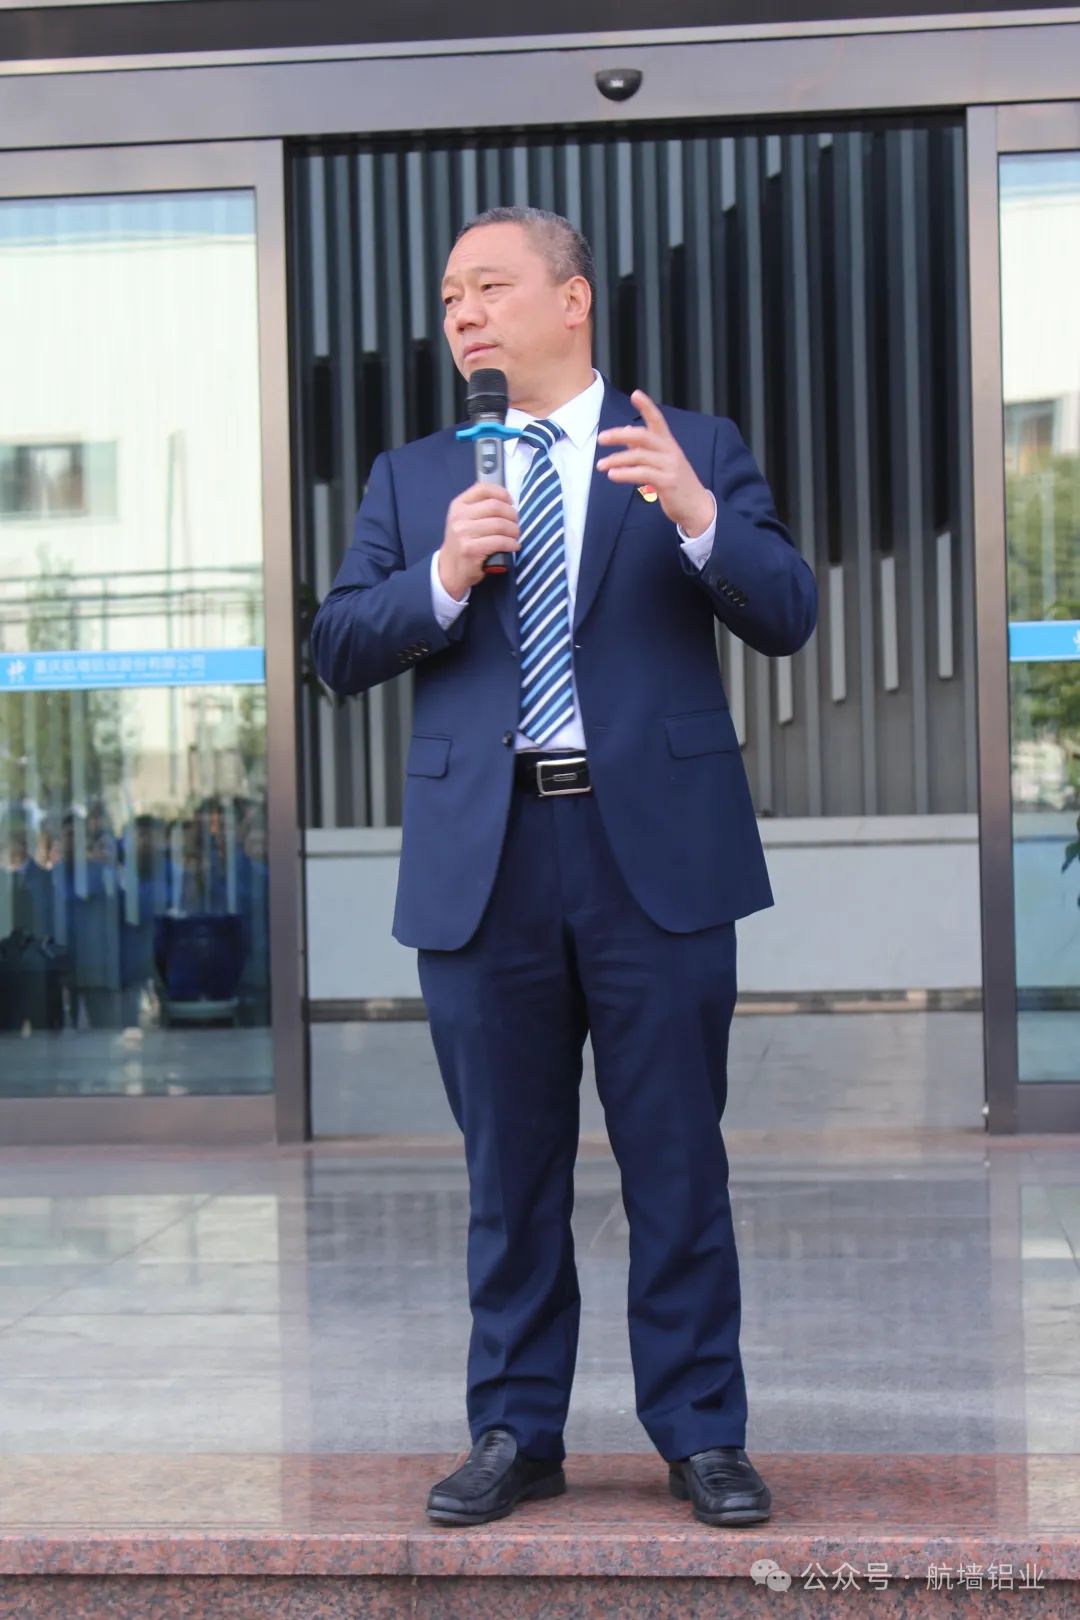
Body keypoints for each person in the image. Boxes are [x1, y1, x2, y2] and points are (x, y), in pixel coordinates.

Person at [310, 206, 817, 1531]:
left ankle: (702, 1433)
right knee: (510, 1170)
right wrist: (441, 574)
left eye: (489, 286)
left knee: (677, 1161)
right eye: (449, 296)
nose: (463, 314)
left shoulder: (687, 445)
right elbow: (337, 645)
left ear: (573, 298)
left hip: (655, 855)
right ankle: (514, 1429)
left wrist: (700, 517)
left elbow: (788, 612)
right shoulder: (417, 476)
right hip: (487, 861)